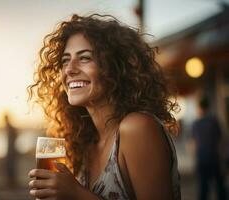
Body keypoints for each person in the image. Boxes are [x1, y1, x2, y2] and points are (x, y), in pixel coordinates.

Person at [28, 14, 181, 200]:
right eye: (65, 60)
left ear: (115, 67)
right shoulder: (86, 142)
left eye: (84, 58)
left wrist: (76, 193)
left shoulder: (137, 127)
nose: (69, 69)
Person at [192, 97, 227, 200]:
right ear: (208, 107)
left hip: (202, 158)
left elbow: (194, 144)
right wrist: (223, 158)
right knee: (220, 187)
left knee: (203, 188)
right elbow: (221, 141)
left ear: (199, 108)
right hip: (214, 158)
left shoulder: (196, 123)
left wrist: (195, 157)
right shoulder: (214, 121)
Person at [4, 114, 18, 187]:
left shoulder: (10, 127)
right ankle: (11, 182)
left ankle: (11, 183)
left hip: (11, 150)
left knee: (10, 167)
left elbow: (15, 136)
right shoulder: (9, 127)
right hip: (10, 150)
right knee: (10, 167)